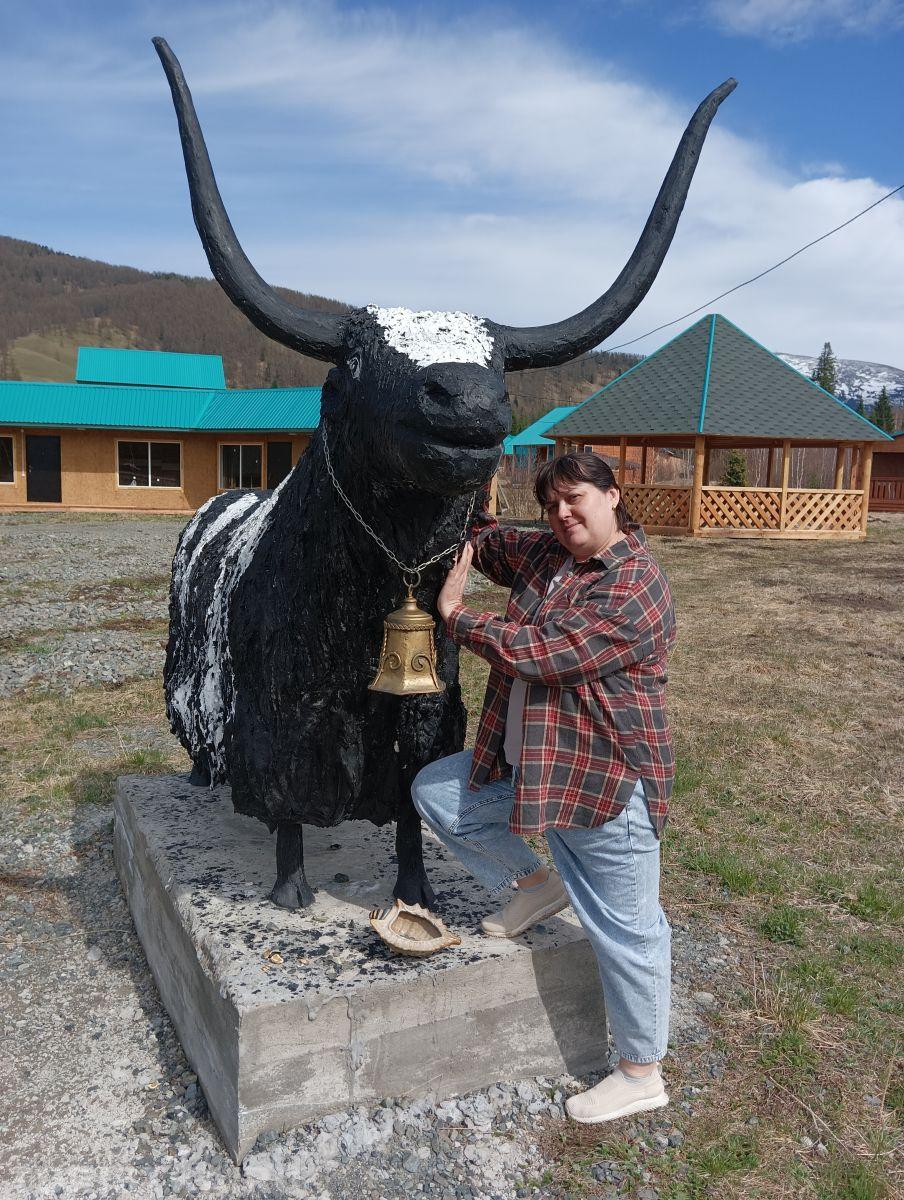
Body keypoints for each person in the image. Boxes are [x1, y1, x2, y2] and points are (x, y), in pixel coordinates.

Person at [411, 453, 676, 1124]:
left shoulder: (636, 586)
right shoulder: (550, 555)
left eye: (576, 499)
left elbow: (544, 652)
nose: (563, 513)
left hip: (603, 784)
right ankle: (535, 887)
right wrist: (460, 507)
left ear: (614, 497)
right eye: (552, 503)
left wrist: (455, 614)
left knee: (628, 930)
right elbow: (491, 539)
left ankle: (642, 1072)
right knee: (439, 794)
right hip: (536, 773)